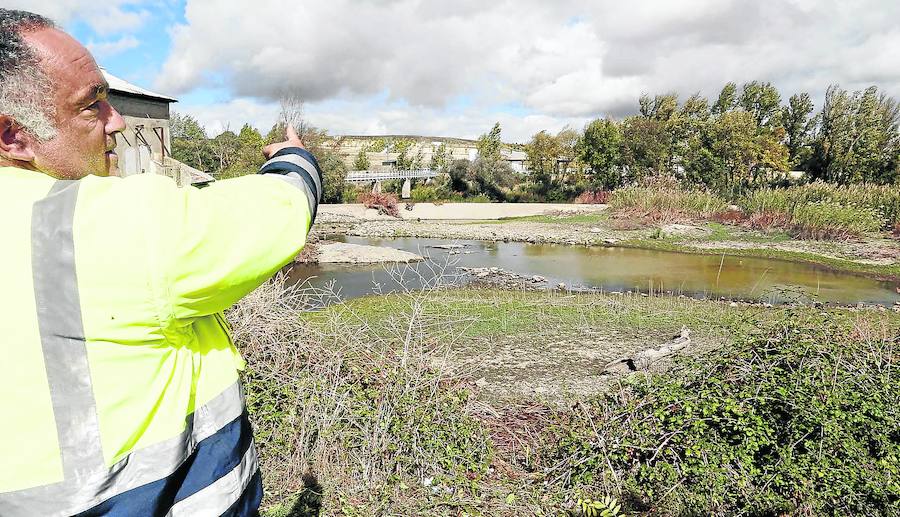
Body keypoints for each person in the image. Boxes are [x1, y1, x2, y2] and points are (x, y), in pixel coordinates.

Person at [0, 9, 322, 516]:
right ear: (11, 136)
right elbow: (277, 212)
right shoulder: (103, 222)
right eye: (93, 105)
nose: (118, 121)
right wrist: (293, 159)